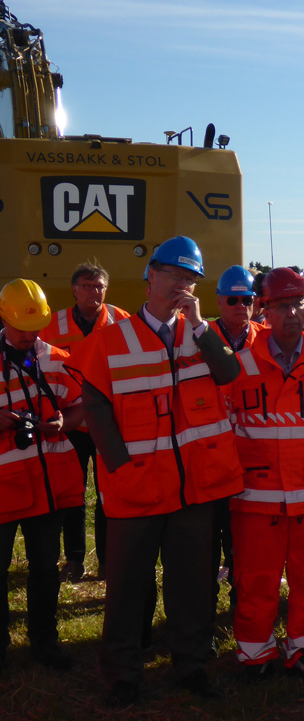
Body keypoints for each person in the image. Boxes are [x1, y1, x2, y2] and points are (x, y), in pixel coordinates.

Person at [66, 236, 245, 706]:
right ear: (150, 276)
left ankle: (190, 665)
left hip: (191, 490)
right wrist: (121, 469)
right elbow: (96, 408)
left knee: (192, 583)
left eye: (189, 279)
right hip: (136, 488)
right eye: (172, 275)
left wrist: (203, 326)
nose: (180, 285)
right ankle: (123, 673)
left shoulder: (201, 334)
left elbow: (229, 377)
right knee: (128, 586)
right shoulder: (112, 337)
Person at [225, 267, 304, 686]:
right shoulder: (239, 365)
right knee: (256, 578)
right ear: (265, 310)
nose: (294, 313)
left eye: (300, 304)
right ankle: (255, 655)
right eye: (284, 305)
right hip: (256, 497)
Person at [0, 279, 84, 672]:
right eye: (21, 328)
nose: (29, 336)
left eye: (35, 328)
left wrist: (65, 421)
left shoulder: (55, 358)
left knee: (45, 567)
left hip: (48, 487)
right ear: (4, 317)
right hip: (4, 489)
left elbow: (82, 406)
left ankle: (44, 642)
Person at [40, 262, 129, 583]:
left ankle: (108, 561)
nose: (94, 292)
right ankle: (75, 560)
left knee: (109, 495)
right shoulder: (53, 324)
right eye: (88, 286)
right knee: (73, 494)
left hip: (109, 422)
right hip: (72, 422)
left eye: (100, 286)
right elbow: (36, 361)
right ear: (74, 289)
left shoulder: (122, 321)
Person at [208, 265, 264, 614]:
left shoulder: (265, 338)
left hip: (252, 459)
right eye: (234, 299)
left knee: (245, 544)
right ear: (218, 301)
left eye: (248, 300)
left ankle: (242, 608)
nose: (241, 306)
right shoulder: (198, 337)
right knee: (206, 545)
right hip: (208, 458)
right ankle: (205, 612)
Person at [211, 265, 265, 352]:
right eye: (233, 300)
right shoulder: (204, 333)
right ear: (219, 303)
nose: (241, 305)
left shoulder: (267, 337)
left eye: (246, 300)